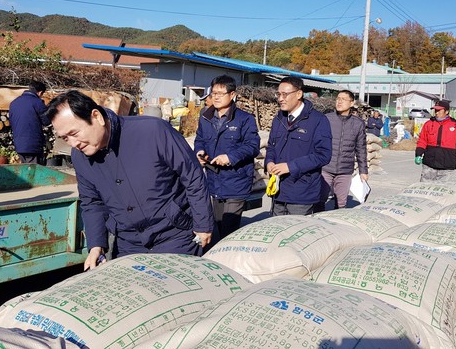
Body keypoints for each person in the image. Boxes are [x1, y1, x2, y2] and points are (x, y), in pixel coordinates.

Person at [46, 90, 213, 270]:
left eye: (74, 133)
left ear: (96, 116)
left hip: (175, 235)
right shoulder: (80, 157)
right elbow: (91, 202)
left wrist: (203, 224)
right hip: (129, 243)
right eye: (65, 138)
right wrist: (96, 245)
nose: (73, 143)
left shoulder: (152, 131)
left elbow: (192, 175)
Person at [194, 75, 260, 241]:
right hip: (214, 179)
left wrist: (230, 157)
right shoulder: (205, 117)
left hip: (236, 180)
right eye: (213, 93)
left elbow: (252, 146)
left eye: (220, 93)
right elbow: (199, 138)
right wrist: (199, 151)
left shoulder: (245, 119)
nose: (215, 97)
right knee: (217, 223)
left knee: (229, 226)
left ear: (232, 95)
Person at [265, 76, 332, 216]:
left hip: (302, 192)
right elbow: (271, 146)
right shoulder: (279, 118)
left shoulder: (317, 120)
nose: (280, 98)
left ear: (299, 94)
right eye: (278, 94)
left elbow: (323, 155)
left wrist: (290, 167)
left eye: (285, 94)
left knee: (294, 235)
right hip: (278, 190)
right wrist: (269, 162)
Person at [321, 90, 369, 209]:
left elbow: (361, 148)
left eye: (343, 99)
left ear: (351, 103)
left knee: (341, 203)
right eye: (338, 99)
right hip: (326, 167)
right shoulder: (326, 119)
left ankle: (336, 226)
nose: (339, 101)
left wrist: (363, 170)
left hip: (345, 170)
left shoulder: (358, 123)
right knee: (320, 198)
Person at [415, 99, 456, 182]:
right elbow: (422, 140)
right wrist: (418, 154)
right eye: (435, 110)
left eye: (439, 110)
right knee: (425, 186)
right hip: (430, 162)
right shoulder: (429, 124)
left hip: (447, 163)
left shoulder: (455, 125)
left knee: (442, 190)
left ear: (446, 111)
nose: (436, 112)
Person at [9, 80, 50, 165]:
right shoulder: (38, 103)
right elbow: (46, 121)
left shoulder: (14, 102)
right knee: (34, 172)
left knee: (24, 169)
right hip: (33, 144)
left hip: (19, 143)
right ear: (40, 93)